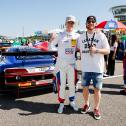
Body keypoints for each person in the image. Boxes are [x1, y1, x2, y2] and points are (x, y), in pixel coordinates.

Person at [77, 16, 110, 120]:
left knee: (97, 89)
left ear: (95, 24)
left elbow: (108, 51)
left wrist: (96, 50)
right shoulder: (81, 37)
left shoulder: (101, 35)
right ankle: (86, 104)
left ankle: (96, 108)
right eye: (89, 21)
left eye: (93, 21)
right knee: (85, 88)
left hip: (97, 68)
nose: (91, 23)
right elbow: (78, 49)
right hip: (86, 68)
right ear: (86, 24)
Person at [49, 15, 80, 113]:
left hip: (72, 65)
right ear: (65, 23)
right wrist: (51, 40)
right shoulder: (60, 35)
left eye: (72, 23)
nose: (70, 24)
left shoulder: (77, 35)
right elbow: (51, 47)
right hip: (61, 65)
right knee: (62, 85)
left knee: (72, 85)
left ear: (74, 24)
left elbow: (80, 48)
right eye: (69, 22)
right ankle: (61, 103)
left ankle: (72, 101)